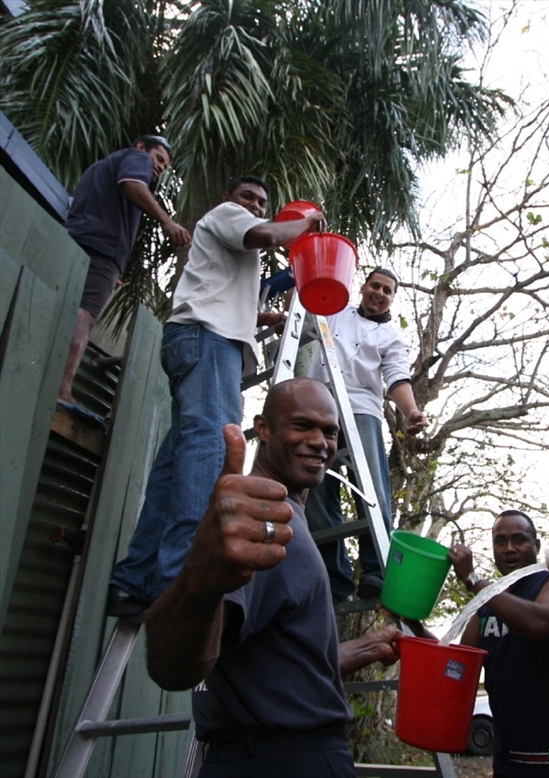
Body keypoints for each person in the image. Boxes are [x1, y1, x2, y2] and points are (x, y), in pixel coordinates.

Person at [144, 378, 400, 777]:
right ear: (263, 428)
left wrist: (369, 647)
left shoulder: (292, 524)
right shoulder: (260, 525)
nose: (320, 441)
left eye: (329, 432)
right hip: (277, 758)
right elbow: (173, 668)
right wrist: (202, 577)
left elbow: (286, 673)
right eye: (302, 425)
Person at [107, 177, 325, 618]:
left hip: (202, 338)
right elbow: (268, 233)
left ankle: (136, 580)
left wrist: (265, 314)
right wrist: (307, 222)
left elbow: (231, 289)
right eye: (249, 197)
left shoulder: (235, 253)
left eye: (262, 202)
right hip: (207, 340)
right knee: (211, 445)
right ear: (230, 199)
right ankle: (178, 578)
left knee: (177, 460)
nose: (255, 206)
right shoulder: (229, 217)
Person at [446, 510, 549, 778]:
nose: (509, 548)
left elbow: (539, 624)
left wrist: (473, 580)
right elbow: (456, 667)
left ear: (536, 546)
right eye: (500, 541)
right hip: (511, 763)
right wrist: (410, 622)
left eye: (519, 539)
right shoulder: (485, 609)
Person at [304, 268, 426, 602]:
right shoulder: (333, 310)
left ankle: (373, 570)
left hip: (361, 409)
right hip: (319, 403)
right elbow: (301, 308)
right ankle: (333, 576)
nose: (380, 293)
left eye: (387, 290)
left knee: (371, 488)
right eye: (375, 285)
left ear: (392, 298)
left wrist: (410, 411)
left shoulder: (393, 338)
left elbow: (397, 378)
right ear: (364, 287)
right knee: (315, 487)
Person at [58, 135, 192, 428]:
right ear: (142, 147)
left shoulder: (102, 167)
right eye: (159, 159)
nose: (158, 168)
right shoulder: (136, 159)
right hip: (101, 251)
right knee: (85, 316)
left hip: (86, 244)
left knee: (67, 306)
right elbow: (132, 184)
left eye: (164, 166)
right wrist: (167, 222)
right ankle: (63, 388)